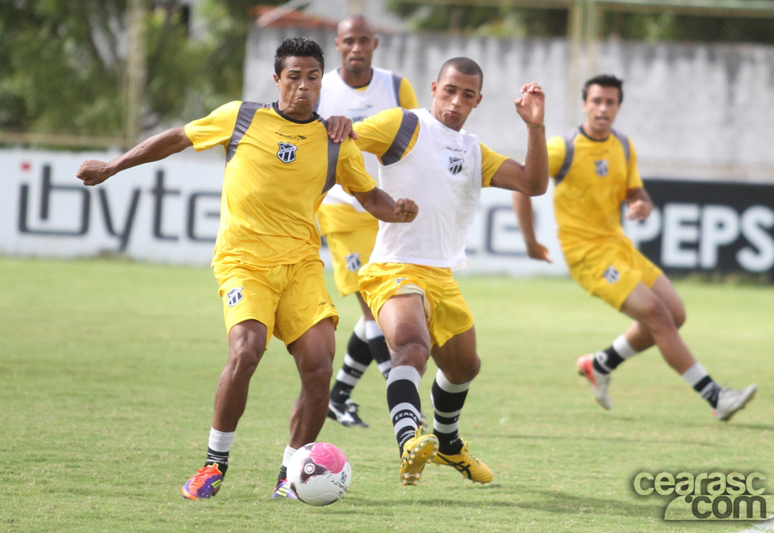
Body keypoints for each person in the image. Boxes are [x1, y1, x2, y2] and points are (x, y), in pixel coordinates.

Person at [75, 37, 418, 500]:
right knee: (246, 349)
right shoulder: (241, 117)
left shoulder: (335, 141)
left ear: (322, 82)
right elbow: (176, 138)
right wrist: (113, 166)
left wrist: (396, 209)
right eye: (293, 77)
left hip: (300, 266)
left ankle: (290, 476)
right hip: (244, 262)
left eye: (312, 77)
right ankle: (213, 464)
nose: (303, 86)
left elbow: (369, 196)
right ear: (277, 79)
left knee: (320, 367)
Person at [512, 74, 757, 422]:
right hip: (588, 256)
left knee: (676, 315)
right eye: (596, 101)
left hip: (619, 247)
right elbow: (522, 184)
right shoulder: (563, 147)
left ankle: (601, 364)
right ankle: (716, 396)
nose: (602, 108)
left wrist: (642, 204)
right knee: (658, 315)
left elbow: (635, 192)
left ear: (618, 107)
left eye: (610, 102)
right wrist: (530, 240)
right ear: (584, 104)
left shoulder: (623, 146)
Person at [352, 57, 549, 486]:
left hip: (442, 275)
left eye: (467, 95)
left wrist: (535, 127)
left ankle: (447, 443)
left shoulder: (474, 151)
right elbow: (343, 141)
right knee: (411, 347)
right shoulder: (402, 125)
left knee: (464, 368)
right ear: (434, 88)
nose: (456, 102)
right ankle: (409, 441)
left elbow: (533, 184)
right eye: (450, 91)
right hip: (393, 266)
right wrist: (370, 196)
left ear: (478, 101)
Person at [315, 15, 421, 429]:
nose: (356, 47)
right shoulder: (321, 89)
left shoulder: (396, 87)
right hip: (342, 210)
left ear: (374, 44)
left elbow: (415, 141)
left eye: (363, 40)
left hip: (385, 210)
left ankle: (338, 396)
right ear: (337, 45)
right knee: (376, 310)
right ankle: (406, 405)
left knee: (375, 312)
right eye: (348, 41)